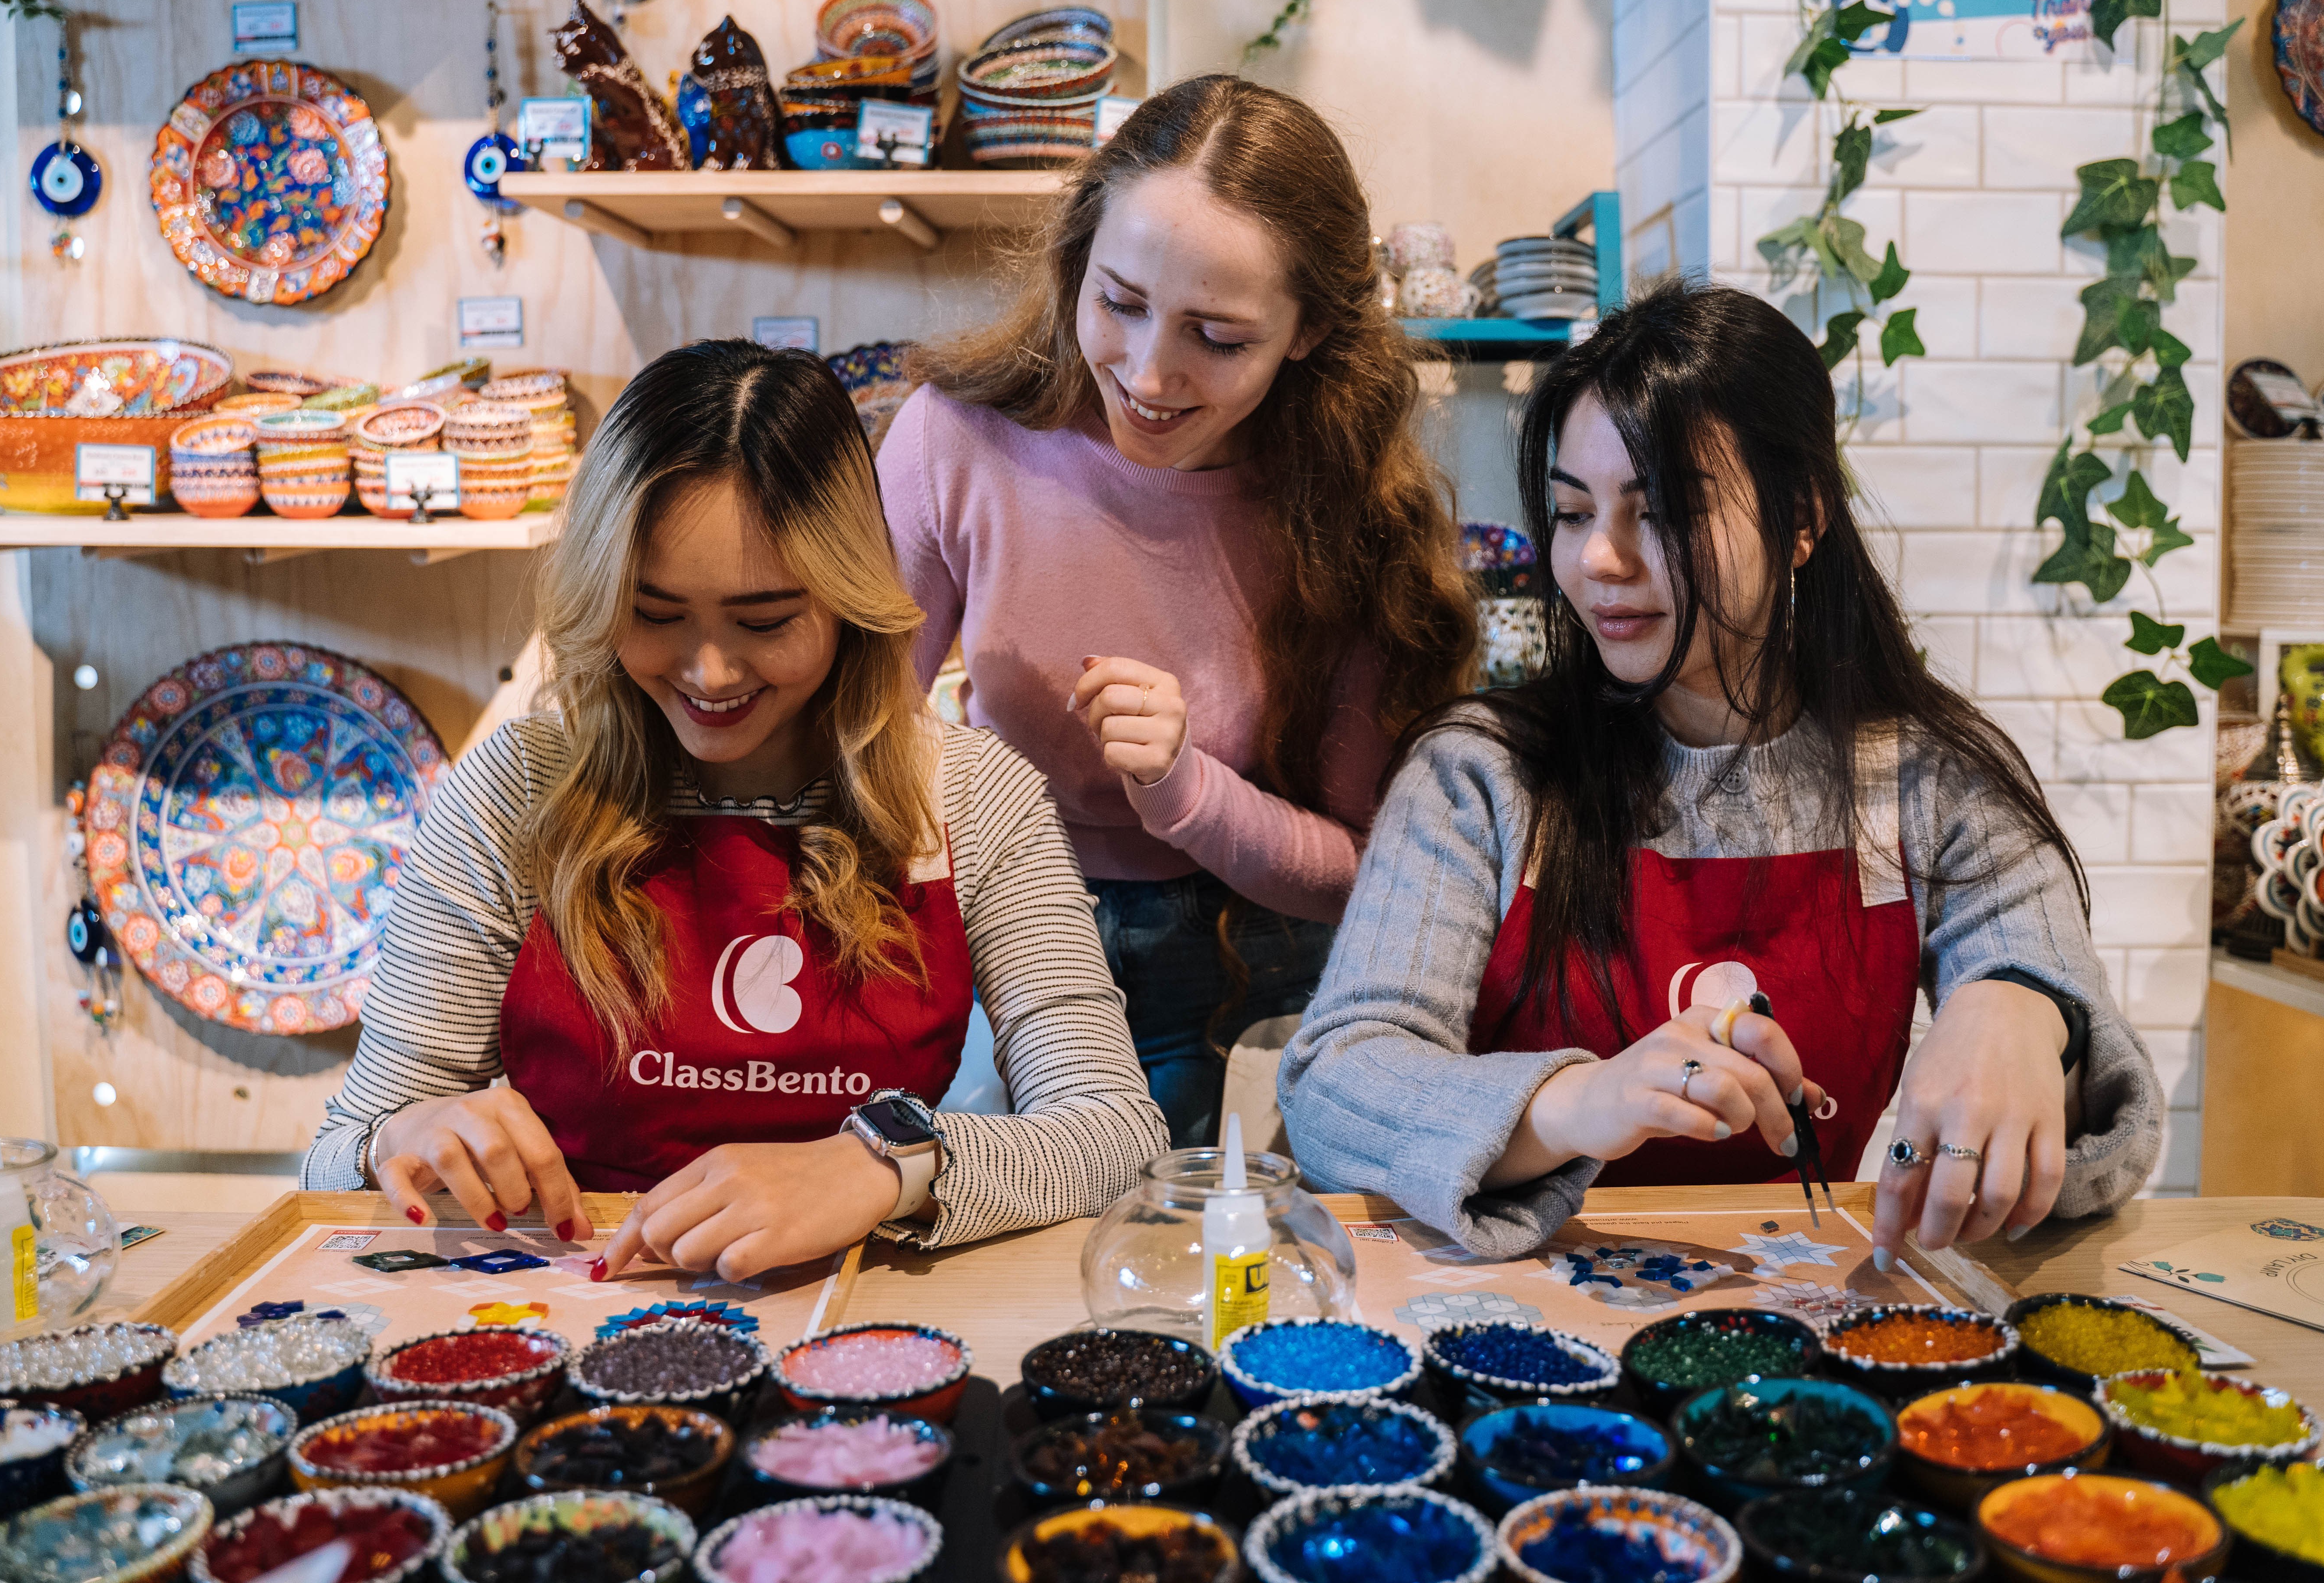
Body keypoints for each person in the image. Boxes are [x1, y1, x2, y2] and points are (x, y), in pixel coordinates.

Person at [1278, 279, 2163, 1264]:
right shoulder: (1481, 775)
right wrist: (1580, 1101)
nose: (1601, 561)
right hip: (1510, 1324)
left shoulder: (1932, 786)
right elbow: (1334, 1087)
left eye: (1659, 511)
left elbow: (2109, 1142)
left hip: (1796, 1325)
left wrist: (2026, 1013)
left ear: (1801, 517)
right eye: (1574, 514)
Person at [304, 340, 1168, 1281]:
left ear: (851, 601)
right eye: (655, 612)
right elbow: (337, 1150)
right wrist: (405, 1131)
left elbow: (1114, 1132)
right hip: (563, 1296)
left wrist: (887, 1162)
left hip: (850, 1318)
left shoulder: (969, 793)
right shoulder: (516, 788)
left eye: (766, 622)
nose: (709, 673)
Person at [878, 74, 1480, 1147]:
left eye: (1219, 335)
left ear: (1309, 332)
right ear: (1076, 262)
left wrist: (1187, 788)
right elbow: (857, 739)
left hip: (1243, 967)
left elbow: (1360, 869)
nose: (1150, 374)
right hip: (992, 935)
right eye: (1119, 302)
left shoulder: (1347, 510)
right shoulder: (953, 438)